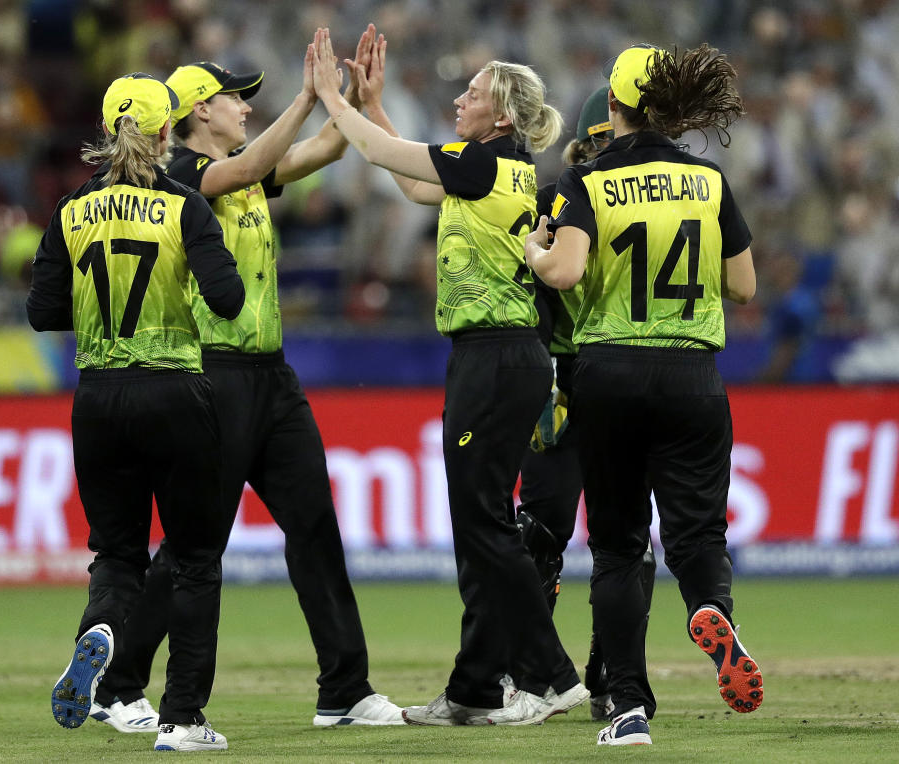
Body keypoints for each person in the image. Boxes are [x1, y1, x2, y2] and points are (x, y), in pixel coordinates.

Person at [88, 27, 404, 731]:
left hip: (272, 378)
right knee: (194, 548)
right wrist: (306, 96)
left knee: (315, 526)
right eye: (236, 98)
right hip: (212, 377)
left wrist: (348, 101)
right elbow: (247, 166)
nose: (245, 108)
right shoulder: (176, 180)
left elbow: (322, 149)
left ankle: (344, 689)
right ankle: (117, 686)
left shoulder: (246, 164)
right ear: (200, 110)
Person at [310, 27, 587, 726]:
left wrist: (330, 100)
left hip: (494, 357)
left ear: (501, 117)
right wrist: (371, 103)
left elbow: (377, 156)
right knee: (480, 525)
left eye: (473, 93)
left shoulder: (483, 164)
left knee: (484, 524)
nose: (459, 99)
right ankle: (473, 689)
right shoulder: (501, 169)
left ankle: (550, 677)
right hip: (504, 356)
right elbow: (409, 181)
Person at [525, 44, 763, 746]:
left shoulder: (586, 181)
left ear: (617, 107)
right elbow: (745, 286)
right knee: (697, 533)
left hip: (610, 372)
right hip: (692, 372)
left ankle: (627, 707)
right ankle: (712, 607)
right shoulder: (709, 181)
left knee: (620, 545)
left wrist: (537, 251)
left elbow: (564, 274)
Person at [27, 72, 245, 752]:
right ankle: (183, 716)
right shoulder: (183, 206)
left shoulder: (70, 208)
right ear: (164, 133)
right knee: (193, 559)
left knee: (117, 554)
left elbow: (42, 312)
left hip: (98, 401)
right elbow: (229, 298)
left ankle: (101, 630)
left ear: (105, 128)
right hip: (175, 393)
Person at [517, 85, 656, 723]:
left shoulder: (565, 195)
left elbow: (539, 283)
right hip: (602, 374)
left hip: (583, 375)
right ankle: (578, 676)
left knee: (565, 534)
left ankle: (576, 678)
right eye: (595, 142)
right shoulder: (616, 193)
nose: (603, 150)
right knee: (612, 539)